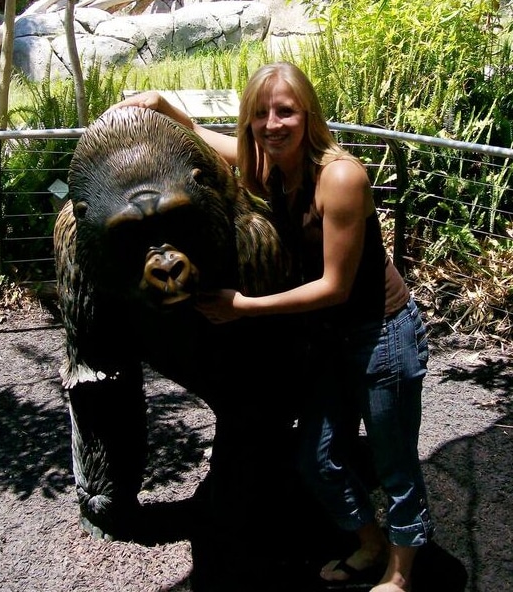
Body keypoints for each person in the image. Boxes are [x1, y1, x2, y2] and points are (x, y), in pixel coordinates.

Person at [113, 61, 434, 592]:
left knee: (394, 460)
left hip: (382, 334)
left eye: (285, 111)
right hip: (330, 338)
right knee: (317, 459)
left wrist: (242, 306)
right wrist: (162, 107)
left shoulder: (341, 177)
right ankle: (370, 542)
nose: (272, 123)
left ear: (308, 114)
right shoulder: (272, 169)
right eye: (260, 113)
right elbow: (203, 139)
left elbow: (335, 286)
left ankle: (400, 575)